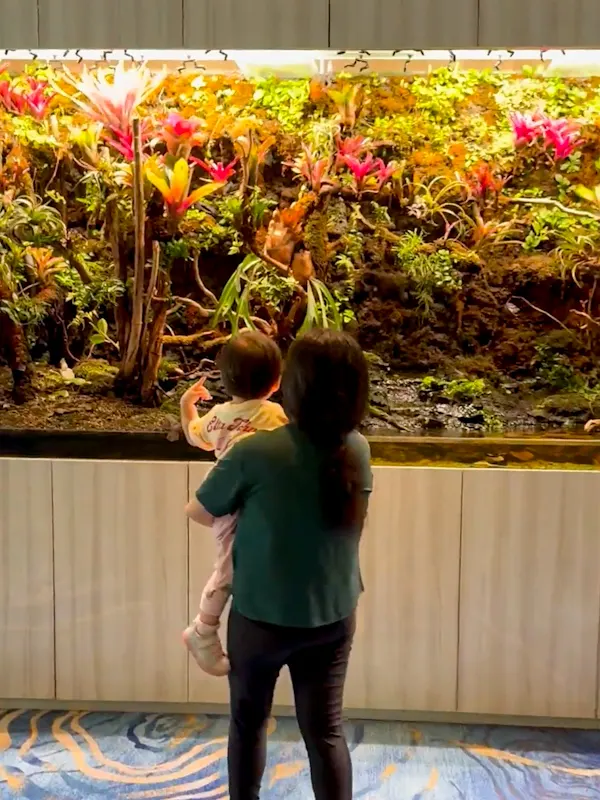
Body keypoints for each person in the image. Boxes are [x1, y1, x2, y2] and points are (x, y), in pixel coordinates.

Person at [186, 329, 372, 800]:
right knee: (326, 732)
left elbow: (202, 510)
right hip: (333, 614)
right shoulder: (357, 449)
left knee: (248, 725)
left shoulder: (255, 452)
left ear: (293, 385)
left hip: (261, 618)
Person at [180, 331, 287, 676]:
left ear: (225, 380)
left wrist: (187, 405)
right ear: (275, 382)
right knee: (228, 571)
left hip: (228, 506)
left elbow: (194, 436)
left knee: (231, 568)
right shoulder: (274, 416)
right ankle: (202, 630)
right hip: (255, 505)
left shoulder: (218, 417)